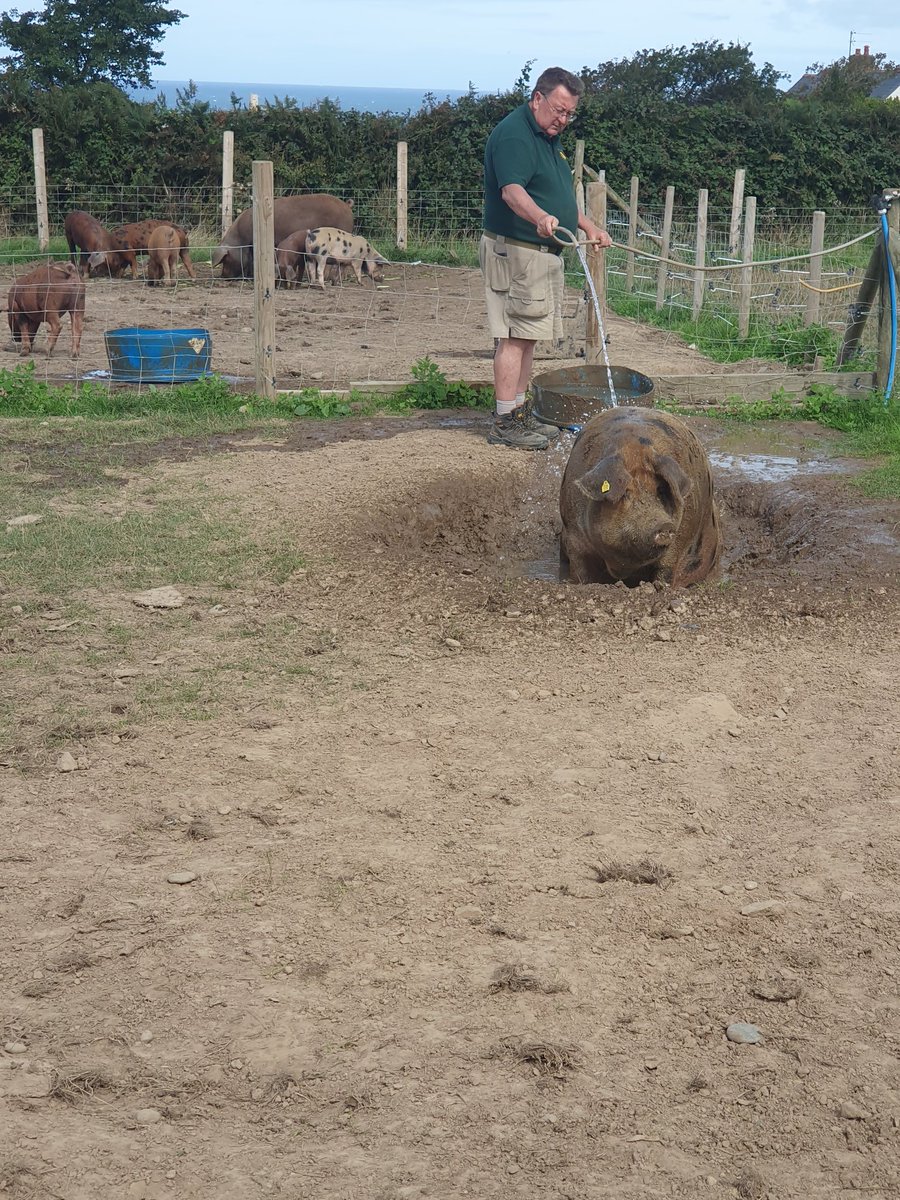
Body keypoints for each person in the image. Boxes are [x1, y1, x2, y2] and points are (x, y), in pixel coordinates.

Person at [480, 66, 612, 450]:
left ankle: (519, 414)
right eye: (558, 110)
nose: (563, 119)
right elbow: (512, 192)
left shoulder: (546, 136)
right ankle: (505, 422)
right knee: (513, 337)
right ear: (537, 98)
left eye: (569, 113)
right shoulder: (515, 135)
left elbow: (557, 196)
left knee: (528, 336)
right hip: (518, 250)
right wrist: (539, 217)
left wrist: (588, 226)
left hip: (539, 254)